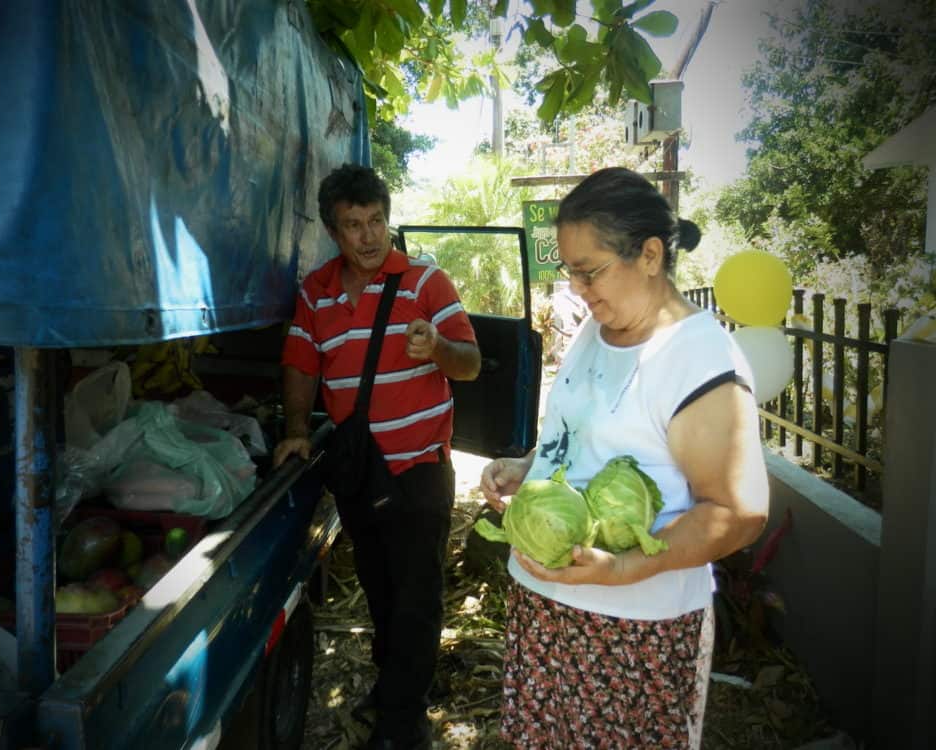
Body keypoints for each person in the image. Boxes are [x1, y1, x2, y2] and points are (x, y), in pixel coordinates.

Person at [479, 167, 769, 749]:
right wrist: (530, 465)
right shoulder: (598, 325)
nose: (578, 288)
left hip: (632, 631)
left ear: (652, 255)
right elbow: (585, 435)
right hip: (549, 609)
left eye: (590, 271)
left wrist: (624, 568)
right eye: (571, 272)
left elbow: (740, 512)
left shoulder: (699, 358)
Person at [273, 163, 481, 750]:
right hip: (361, 471)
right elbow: (301, 361)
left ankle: (403, 721)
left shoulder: (425, 281)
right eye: (353, 226)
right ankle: (395, 683)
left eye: (376, 222)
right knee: (380, 586)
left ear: (389, 220)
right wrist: (294, 427)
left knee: (416, 595)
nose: (369, 237)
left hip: (419, 469)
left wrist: (438, 347)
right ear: (333, 233)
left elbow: (469, 362)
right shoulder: (315, 292)